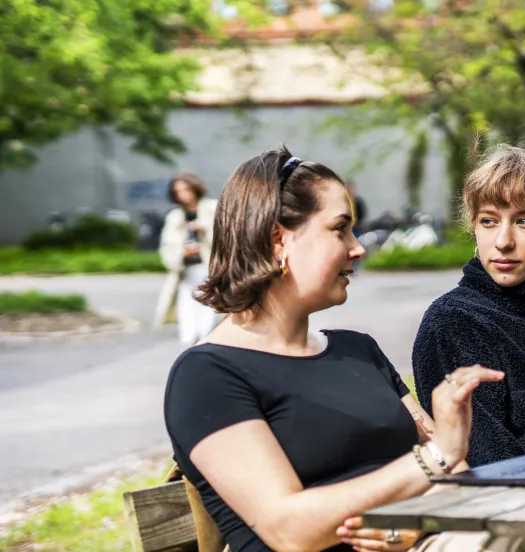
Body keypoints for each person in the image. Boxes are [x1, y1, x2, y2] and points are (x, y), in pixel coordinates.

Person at [163, 146, 504, 552]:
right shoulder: (208, 375)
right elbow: (288, 529)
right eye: (340, 228)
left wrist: (405, 526)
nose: (357, 248)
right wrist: (434, 458)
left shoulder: (357, 350)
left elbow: (454, 473)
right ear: (278, 241)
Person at [412, 145, 525, 468]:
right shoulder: (452, 322)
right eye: (488, 221)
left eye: (524, 222)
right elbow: (492, 462)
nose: (502, 241)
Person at [153, 171, 220, 345]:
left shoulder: (213, 209)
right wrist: (182, 253)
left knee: (209, 310)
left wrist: (204, 231)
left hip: (210, 269)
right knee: (187, 310)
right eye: (178, 191)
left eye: (186, 189)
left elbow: (227, 239)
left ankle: (205, 342)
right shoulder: (175, 216)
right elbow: (167, 247)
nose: (183, 194)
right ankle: (190, 345)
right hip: (186, 271)